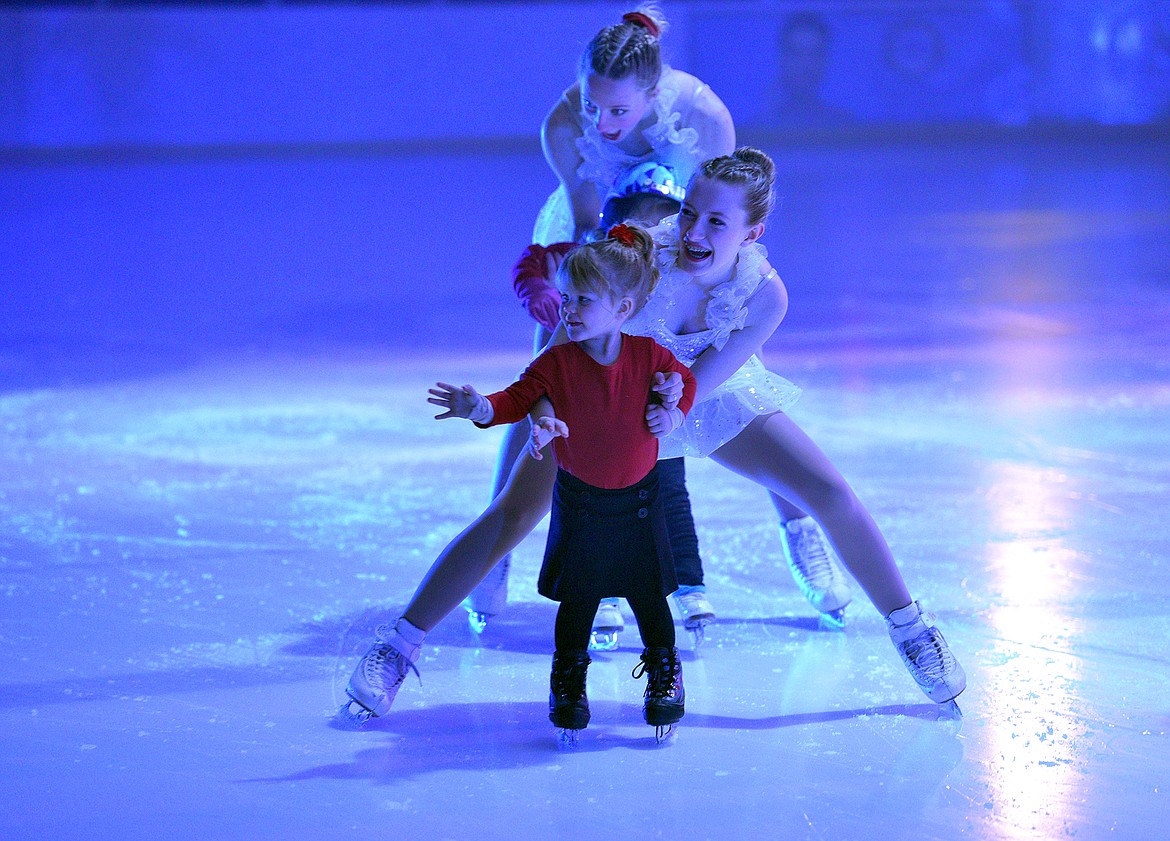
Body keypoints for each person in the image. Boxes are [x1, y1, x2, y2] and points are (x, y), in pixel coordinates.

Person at [342, 148, 966, 721]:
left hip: (693, 394)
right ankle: (397, 649)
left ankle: (912, 630)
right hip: (593, 393)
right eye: (690, 213)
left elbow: (702, 383)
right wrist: (544, 414)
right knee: (513, 514)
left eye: (716, 223)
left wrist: (669, 408)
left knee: (828, 492)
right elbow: (559, 347)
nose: (694, 233)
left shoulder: (764, 295)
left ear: (753, 232)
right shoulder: (636, 255)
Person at [346, 225, 698, 744]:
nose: (568, 309)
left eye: (579, 300)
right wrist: (483, 407)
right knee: (555, 567)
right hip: (581, 484)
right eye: (566, 299)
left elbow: (684, 379)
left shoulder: (650, 348)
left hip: (641, 481)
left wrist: (674, 404)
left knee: (649, 591)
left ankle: (664, 664)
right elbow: (521, 392)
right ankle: (553, 675)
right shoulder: (564, 351)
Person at [468, 3, 738, 633]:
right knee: (549, 370)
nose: (604, 121)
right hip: (603, 239)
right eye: (595, 105)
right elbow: (591, 228)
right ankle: (499, 538)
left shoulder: (705, 117)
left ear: (654, 91)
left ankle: (797, 521)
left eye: (620, 110)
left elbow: (717, 214)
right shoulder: (564, 126)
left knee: (741, 370)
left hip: (681, 242)